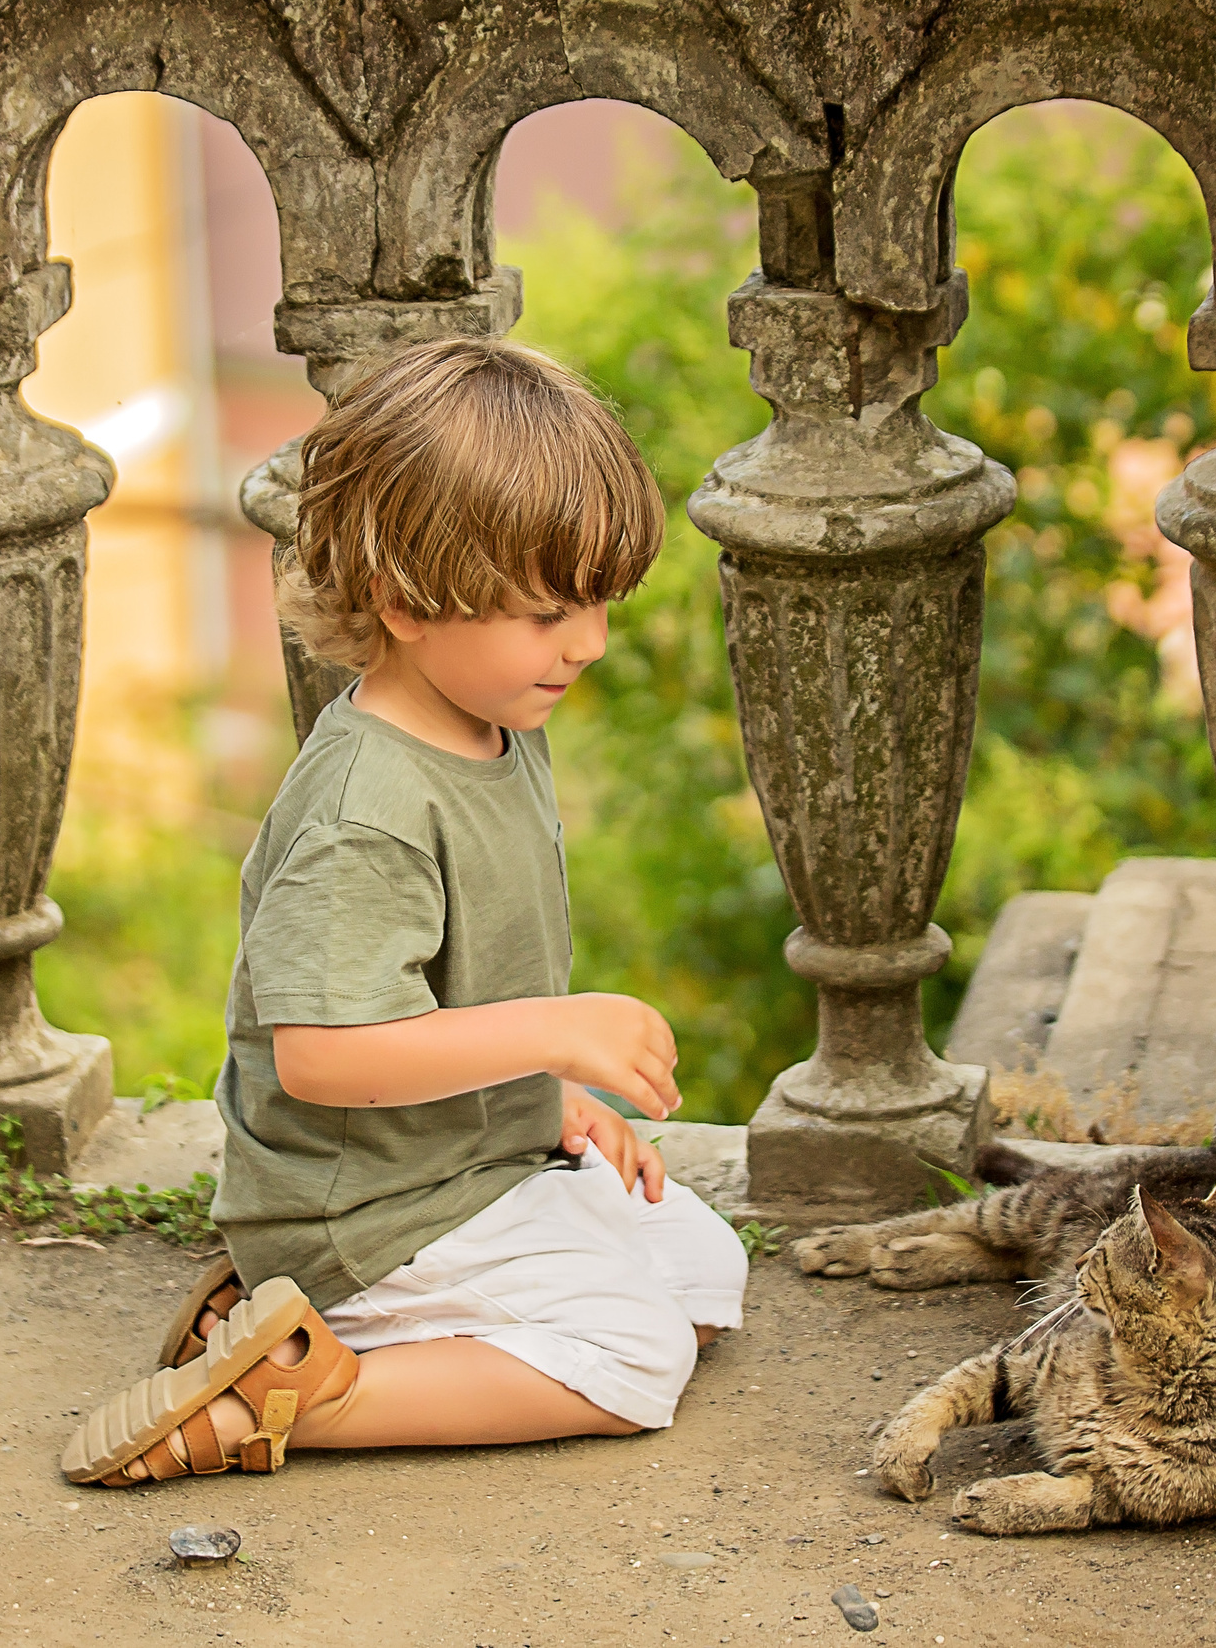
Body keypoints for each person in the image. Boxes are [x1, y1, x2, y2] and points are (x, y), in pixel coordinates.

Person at [63, 335, 749, 1488]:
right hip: (367, 1206)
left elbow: (445, 996)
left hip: (470, 1162)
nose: (586, 645)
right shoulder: (364, 813)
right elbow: (325, 1059)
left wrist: (554, 1099)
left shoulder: (492, 726)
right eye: (546, 615)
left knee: (701, 1270)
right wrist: (551, 1033)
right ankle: (299, 1394)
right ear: (403, 601)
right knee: (634, 1358)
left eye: (596, 607)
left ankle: (291, 1329)